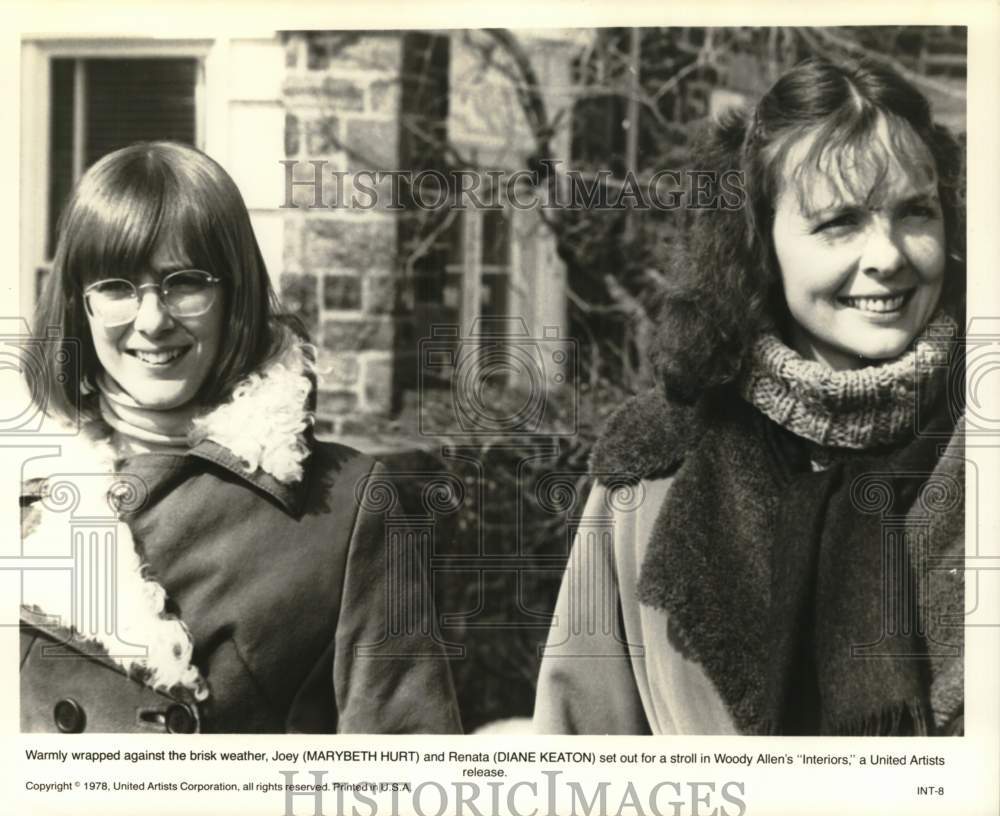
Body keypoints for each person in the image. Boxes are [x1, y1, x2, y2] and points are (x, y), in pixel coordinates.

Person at [533, 57, 965, 736]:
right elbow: (577, 763)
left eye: (916, 212)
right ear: (760, 242)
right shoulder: (650, 476)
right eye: (839, 222)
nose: (888, 255)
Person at [20, 141, 462, 734]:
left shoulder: (344, 506)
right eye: (118, 286)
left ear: (235, 294)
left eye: (186, 282)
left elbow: (407, 769)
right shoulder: (20, 478)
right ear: (79, 303)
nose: (152, 320)